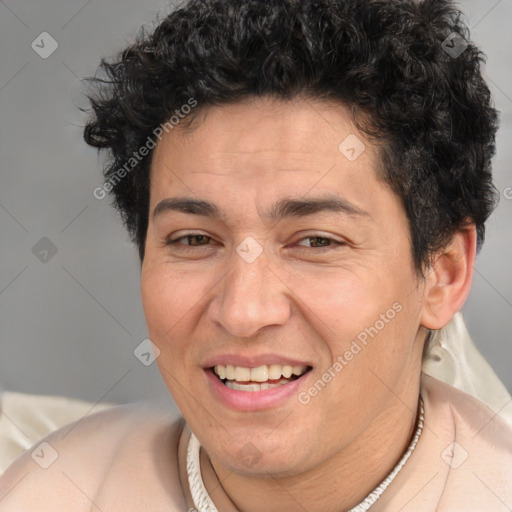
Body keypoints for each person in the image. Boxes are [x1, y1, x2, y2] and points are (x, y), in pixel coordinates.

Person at [1, 0, 511, 510]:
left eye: (316, 241)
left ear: (443, 274)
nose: (243, 312)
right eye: (194, 240)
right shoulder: (46, 494)